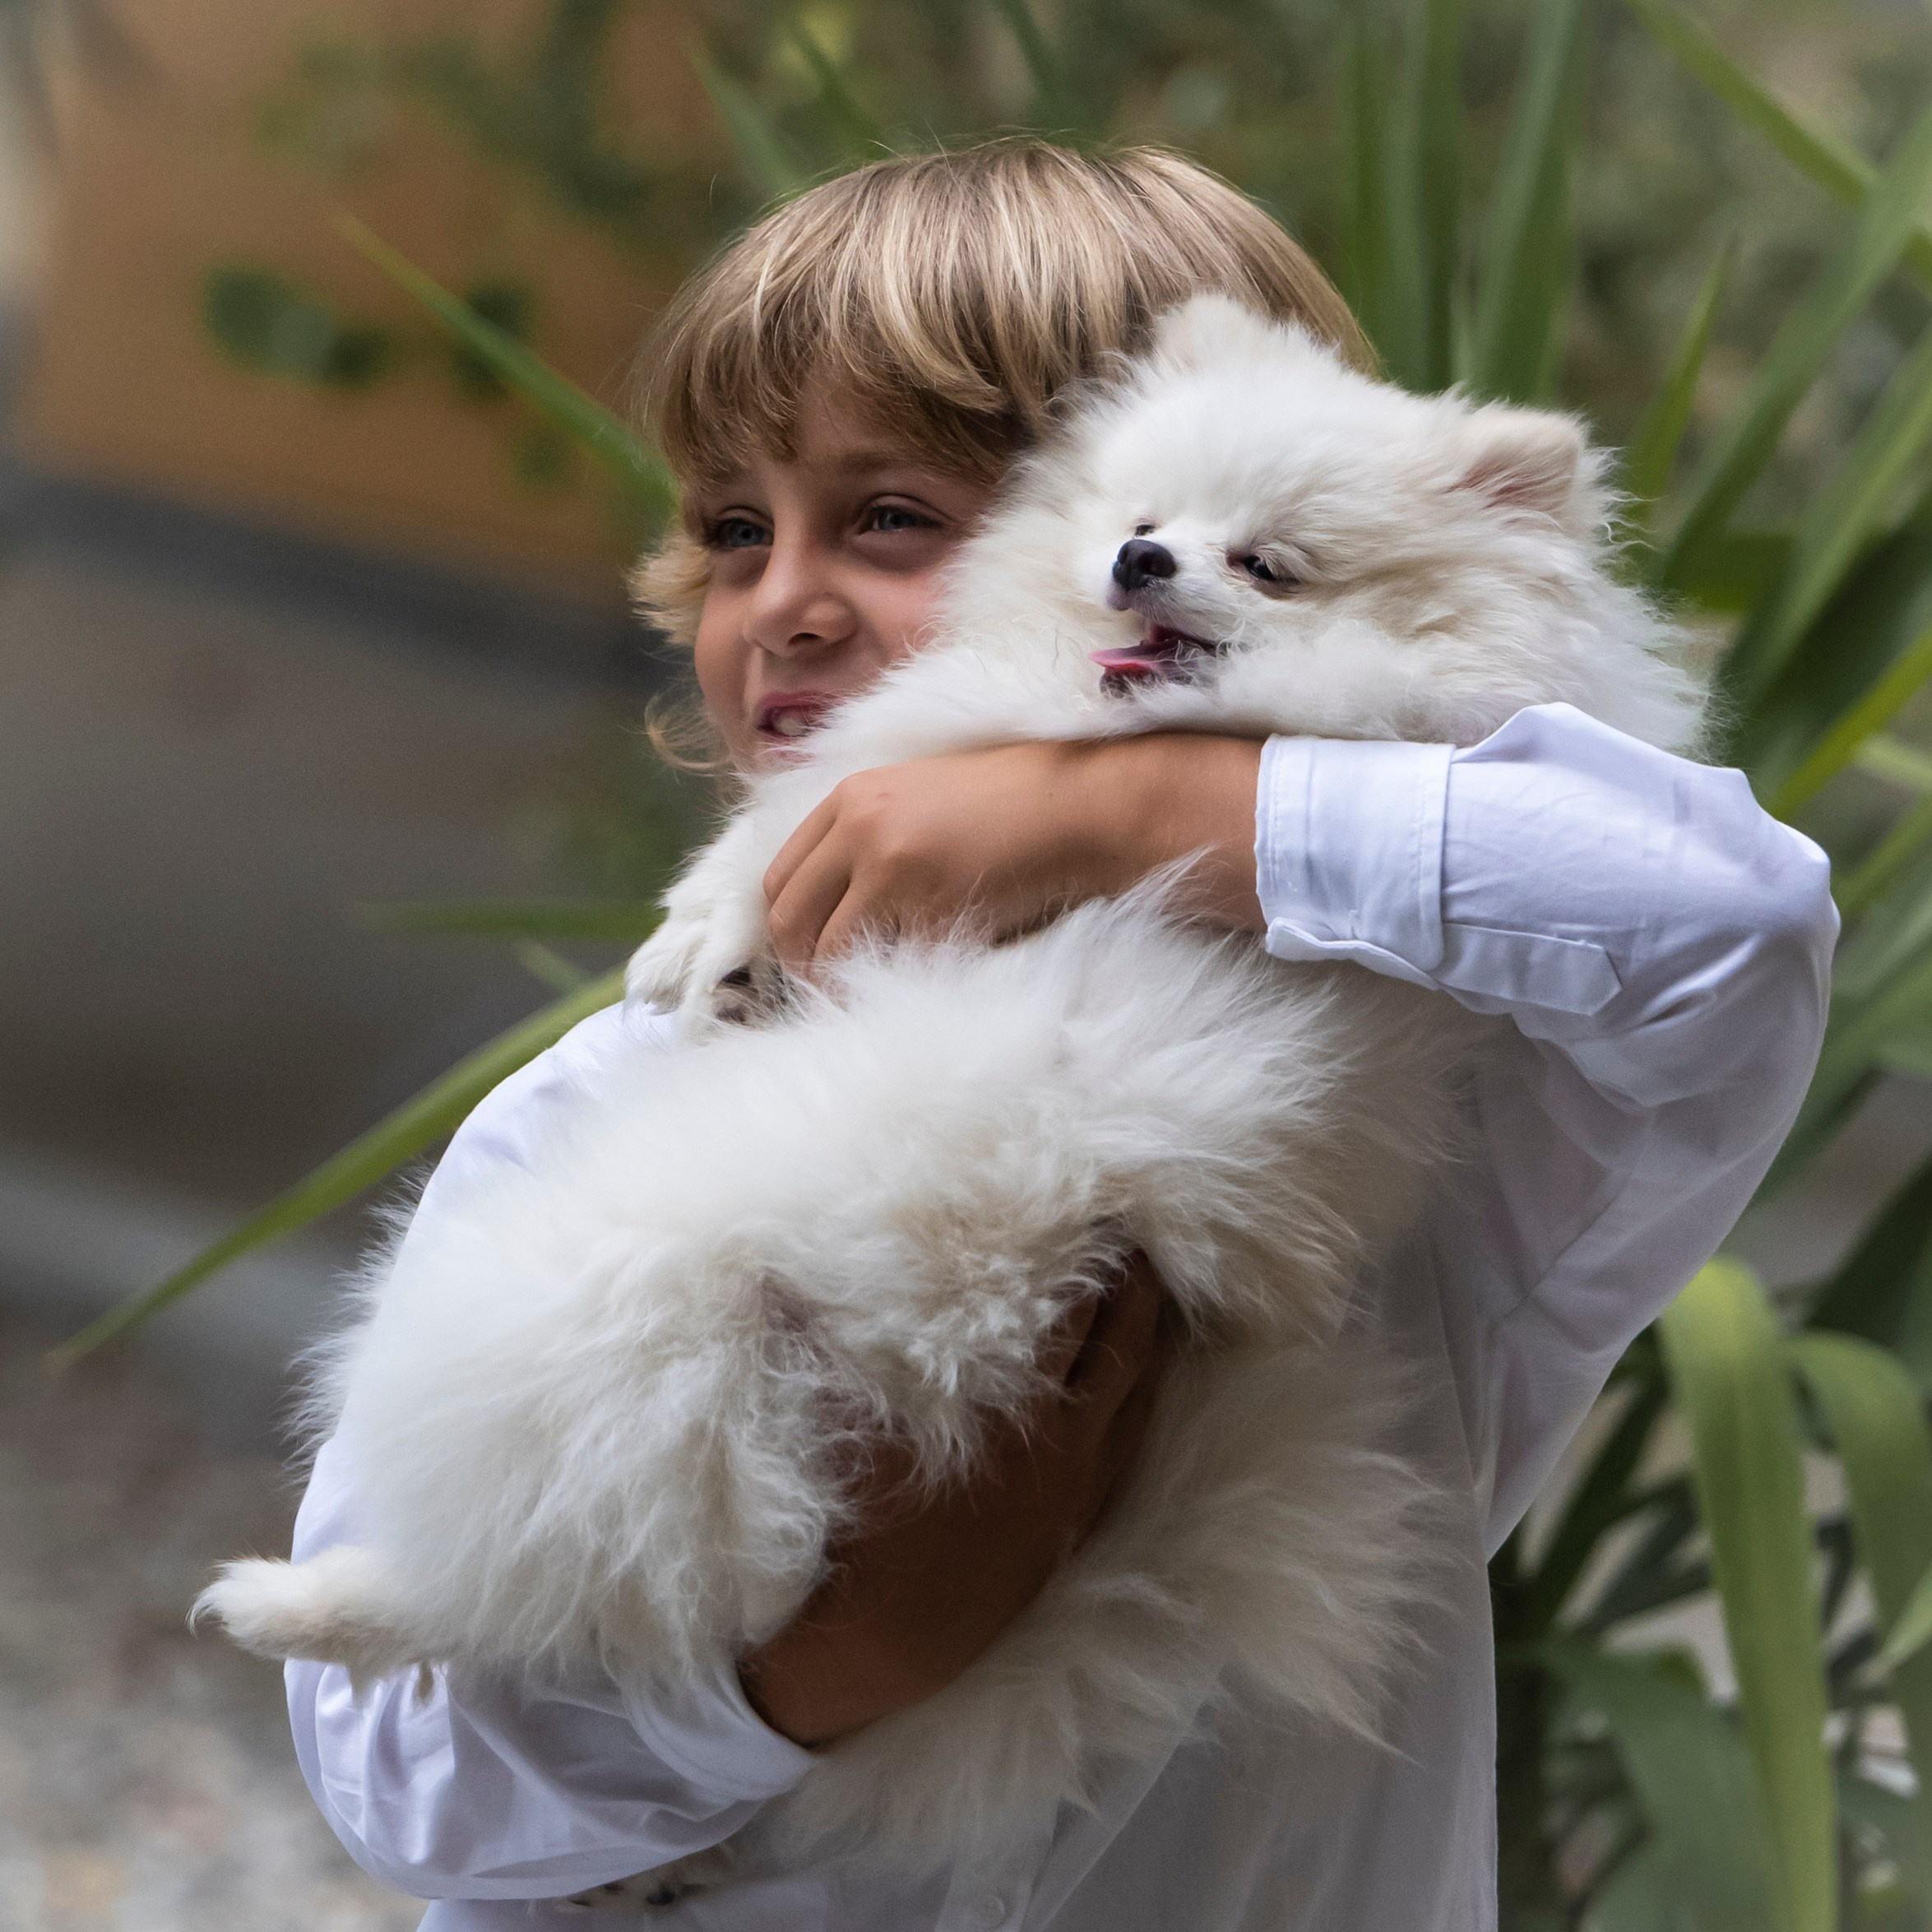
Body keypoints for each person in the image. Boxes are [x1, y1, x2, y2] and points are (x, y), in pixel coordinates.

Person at [284, 142, 1837, 1930]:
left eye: (887, 517)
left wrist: (1122, 812)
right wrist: (819, 1666)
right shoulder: (631, 1079)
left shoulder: (1458, 1134)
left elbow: (1729, 922)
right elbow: (394, 1765)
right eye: (730, 528)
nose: (779, 597)